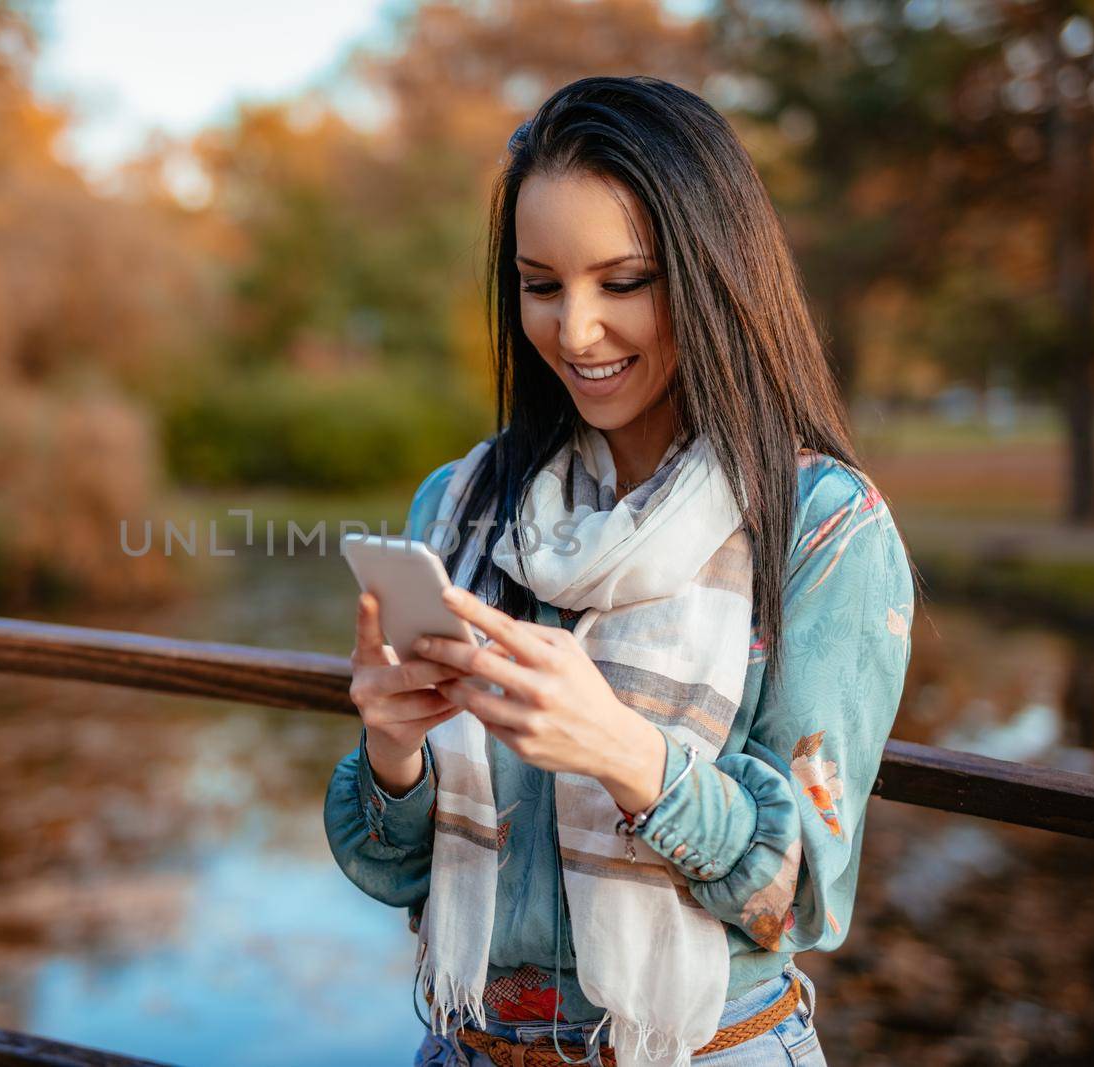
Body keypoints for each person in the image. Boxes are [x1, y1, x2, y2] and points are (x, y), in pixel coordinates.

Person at [323, 75, 918, 1067]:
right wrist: (393, 750)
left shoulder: (820, 527)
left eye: (625, 280)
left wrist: (624, 753)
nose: (576, 330)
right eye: (542, 283)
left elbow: (802, 894)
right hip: (463, 1044)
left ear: (710, 271)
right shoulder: (460, 504)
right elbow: (393, 871)